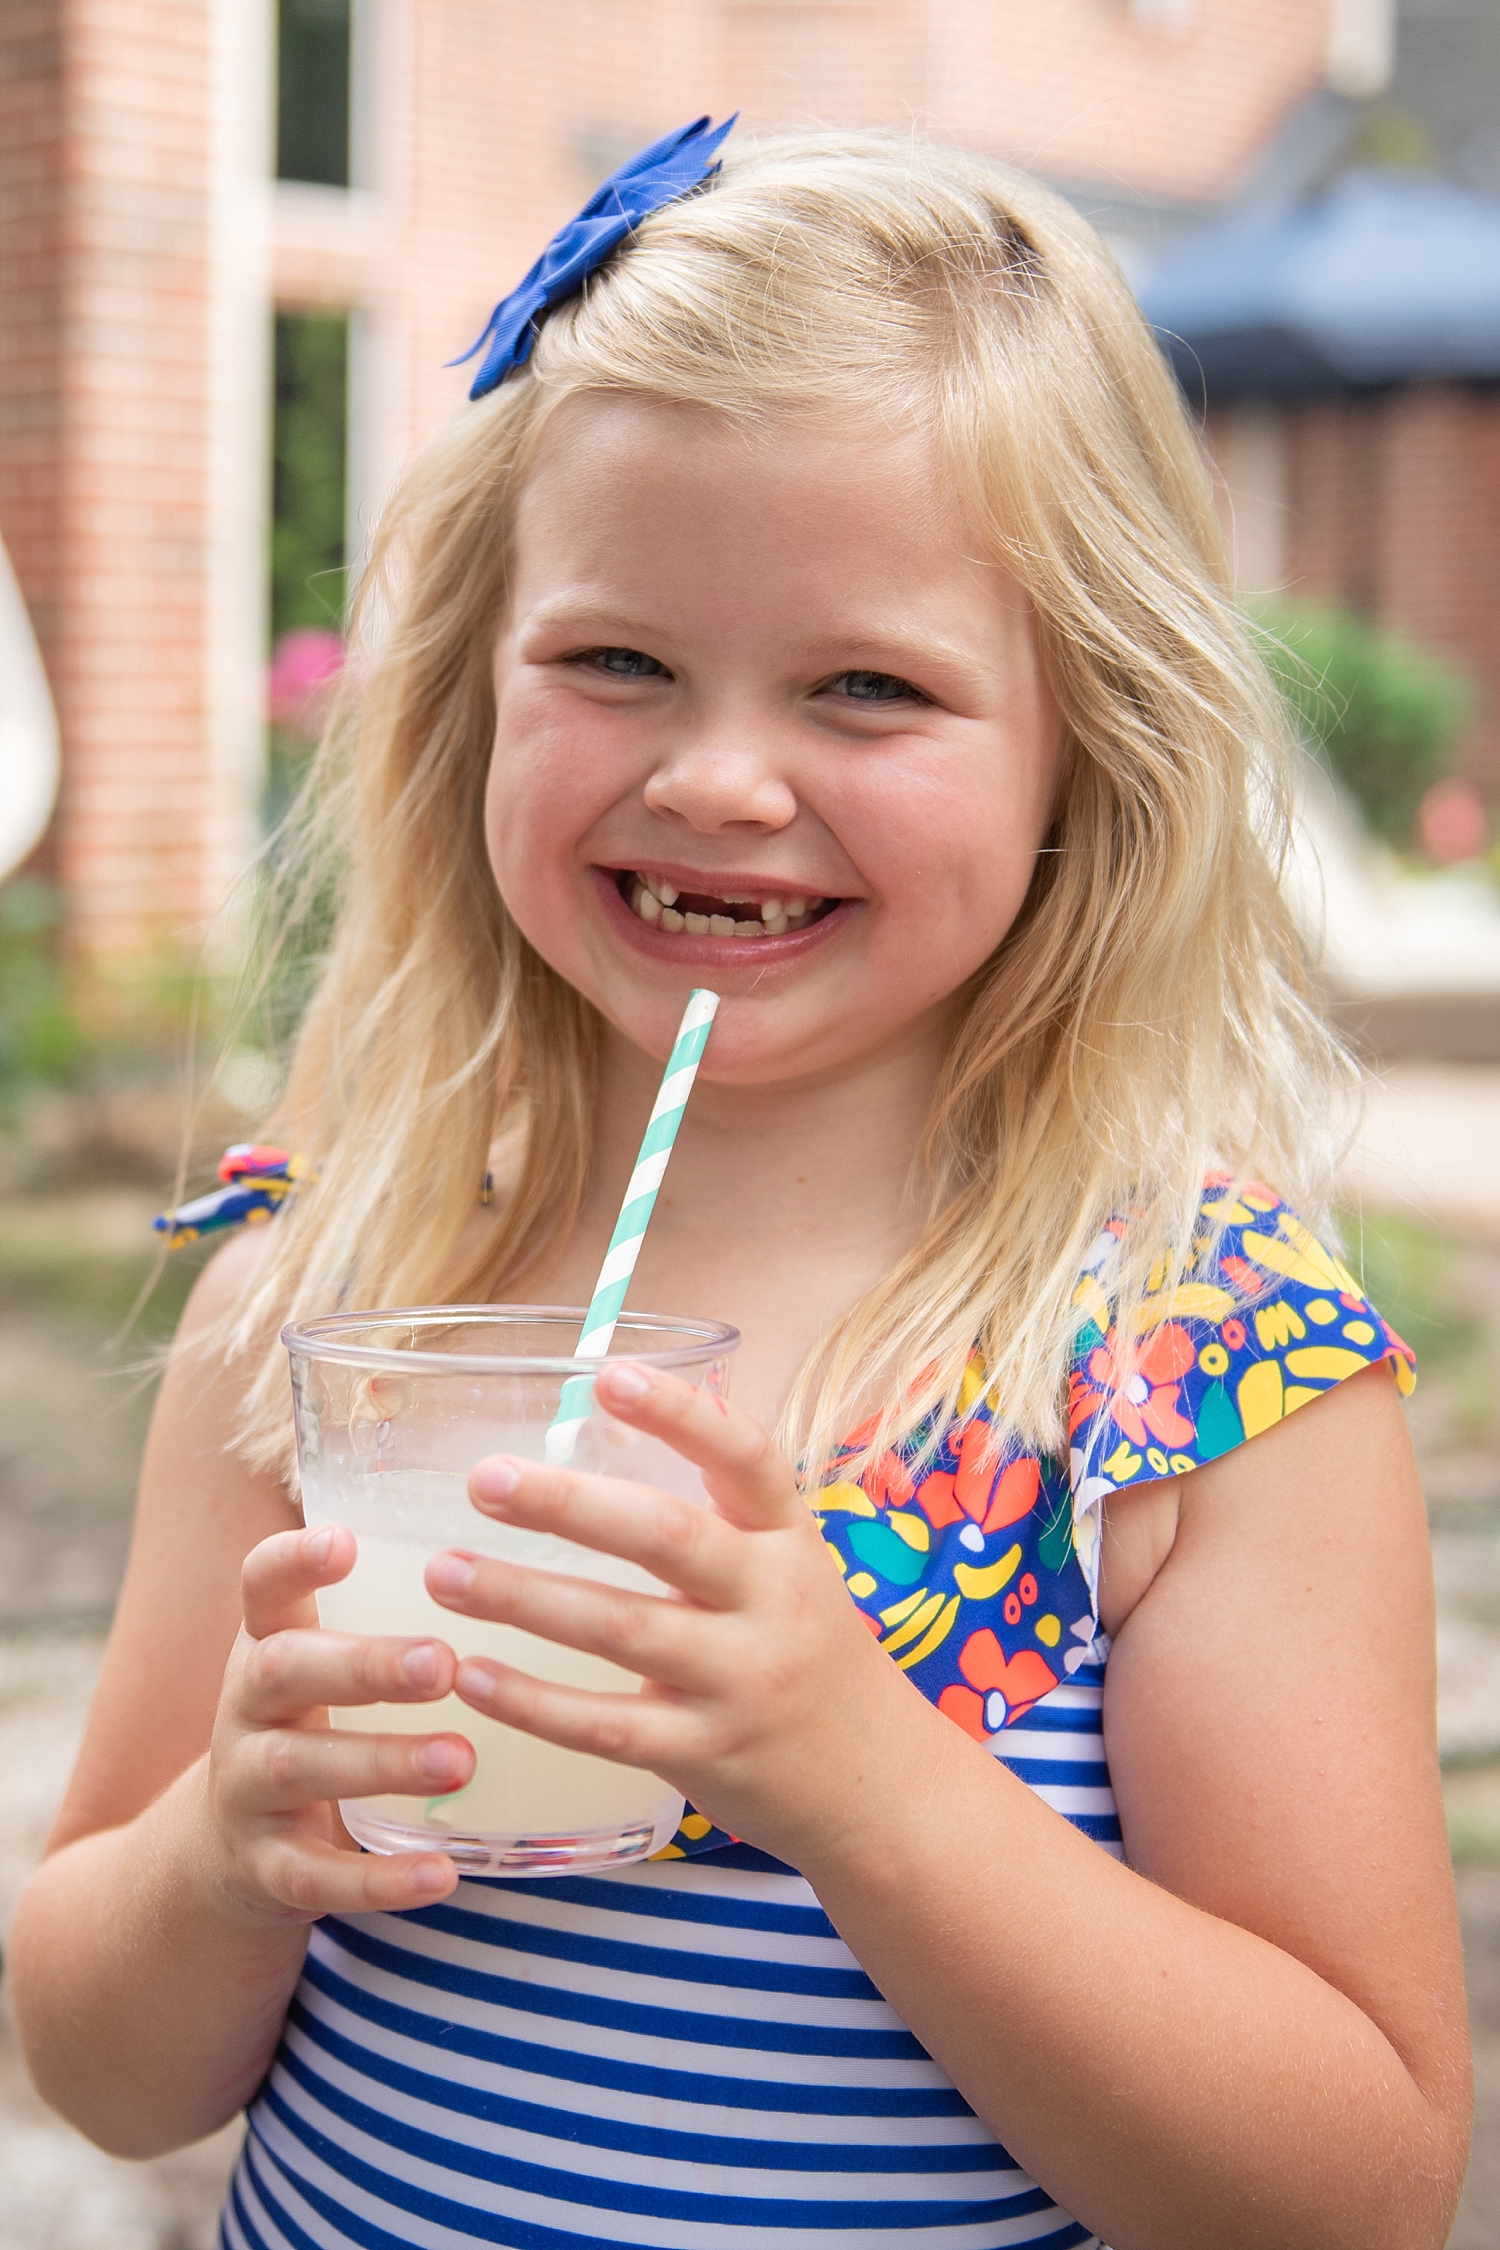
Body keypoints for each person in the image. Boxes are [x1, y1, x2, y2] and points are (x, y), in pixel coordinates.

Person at [9, 121, 1472, 2250]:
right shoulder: (327, 1293)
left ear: (1091, 753)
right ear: (470, 699)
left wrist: (867, 1785)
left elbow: (1353, 2194)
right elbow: (102, 2070)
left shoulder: (1189, 1376)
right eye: (615, 662)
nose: (716, 776)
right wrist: (219, 1852)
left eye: (867, 687)